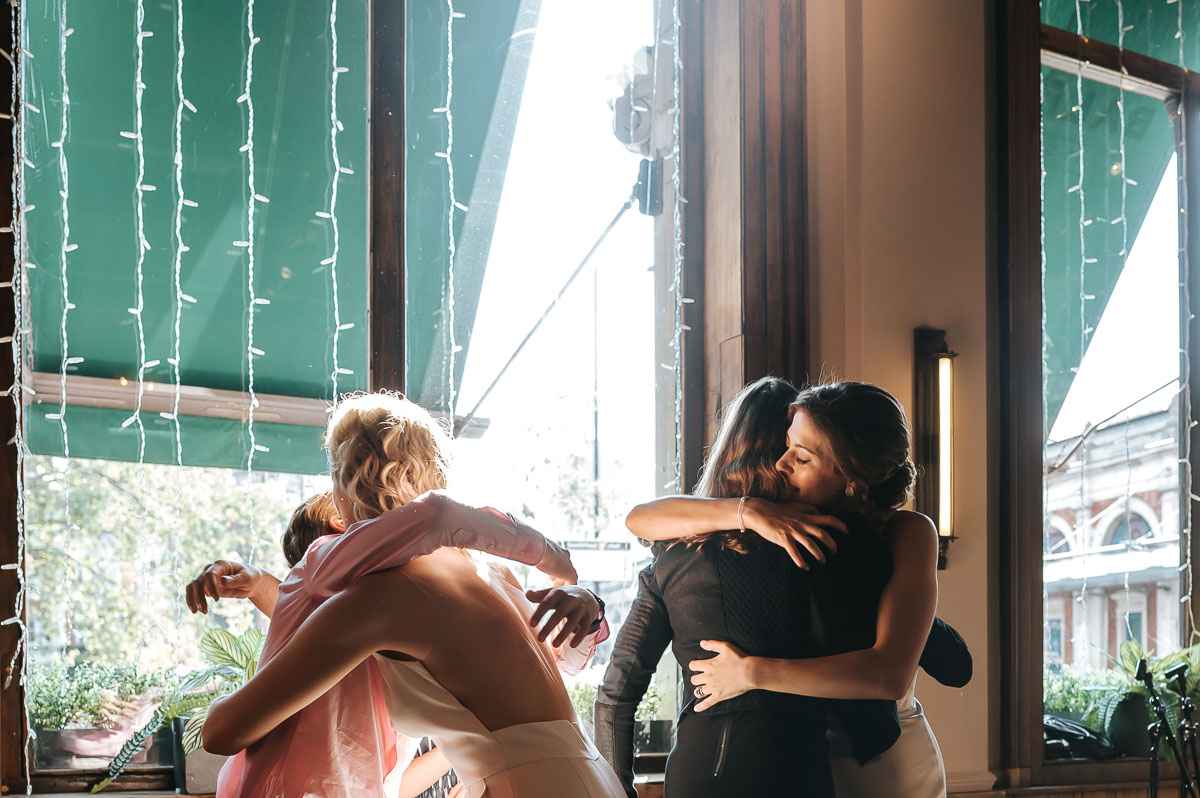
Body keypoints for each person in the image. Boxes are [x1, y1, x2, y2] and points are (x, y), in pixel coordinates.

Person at [203, 392, 624, 797]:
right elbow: (551, 670)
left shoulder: (380, 596)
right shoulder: (490, 569)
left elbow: (223, 732)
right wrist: (586, 598)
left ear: (343, 487)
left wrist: (226, 699)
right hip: (588, 774)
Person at [628, 380, 962, 798]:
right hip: (806, 761)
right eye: (785, 447)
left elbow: (889, 675)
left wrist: (751, 672)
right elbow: (640, 520)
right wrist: (749, 511)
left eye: (801, 457)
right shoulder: (778, 531)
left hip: (879, 761)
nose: (780, 465)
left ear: (852, 479)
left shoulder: (905, 532)